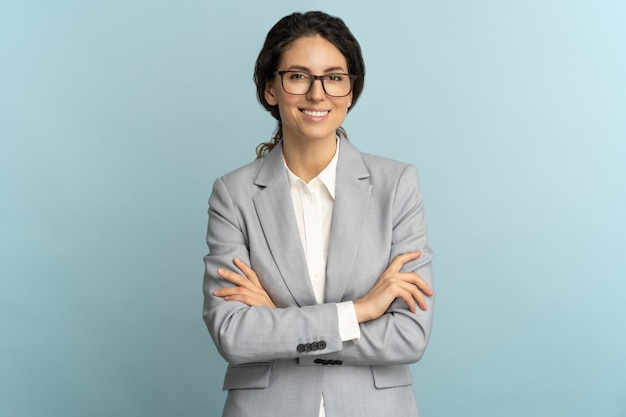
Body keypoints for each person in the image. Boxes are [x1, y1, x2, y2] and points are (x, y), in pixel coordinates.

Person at [202, 11, 434, 417]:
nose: (317, 93)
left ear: (350, 90)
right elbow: (234, 334)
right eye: (298, 76)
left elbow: (409, 336)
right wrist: (359, 311)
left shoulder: (396, 185)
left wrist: (278, 321)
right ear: (270, 89)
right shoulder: (233, 194)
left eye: (334, 77)